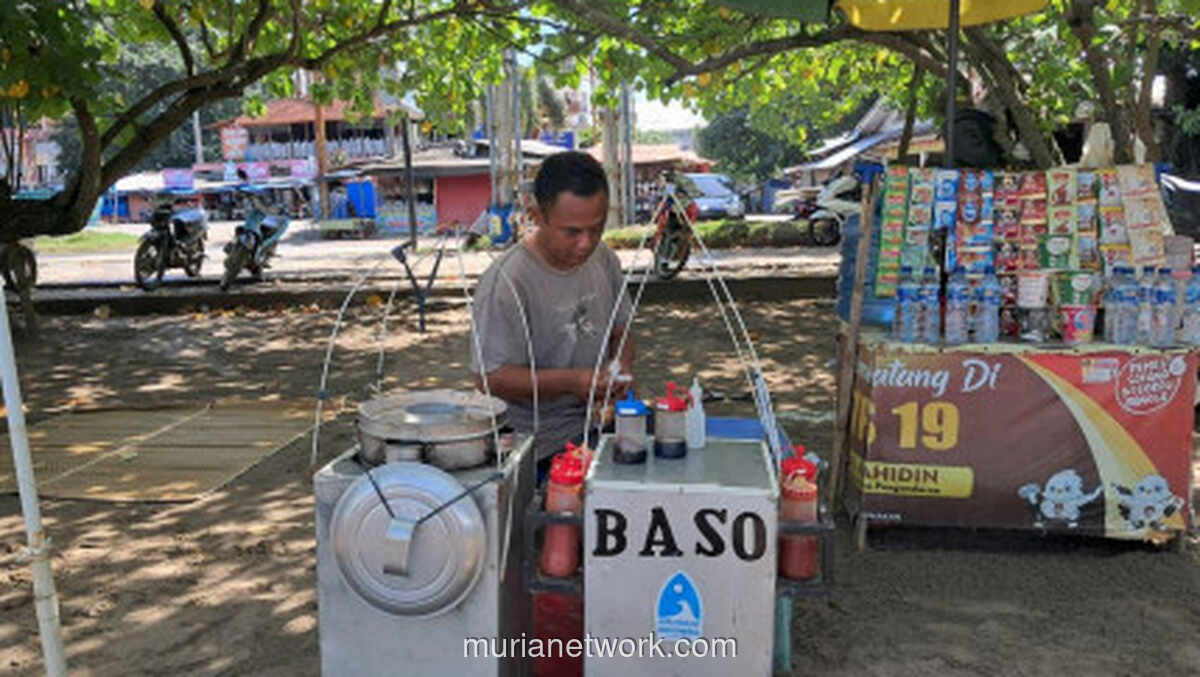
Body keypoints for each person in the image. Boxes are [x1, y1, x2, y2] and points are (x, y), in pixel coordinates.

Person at [470, 151, 634, 460]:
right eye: (571, 231)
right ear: (537, 216)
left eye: (596, 228)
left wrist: (620, 369)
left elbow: (621, 332)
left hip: (600, 426)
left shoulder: (604, 259)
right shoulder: (507, 282)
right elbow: (488, 378)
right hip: (535, 445)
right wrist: (574, 383)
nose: (586, 243)